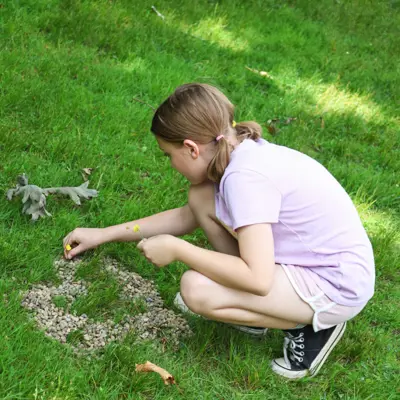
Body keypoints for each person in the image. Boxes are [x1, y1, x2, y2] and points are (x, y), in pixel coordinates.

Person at [63, 83, 375, 379]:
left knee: (197, 290)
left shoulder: (244, 179)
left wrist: (178, 249)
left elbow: (258, 278)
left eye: (168, 155)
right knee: (201, 197)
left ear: (191, 148)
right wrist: (104, 233)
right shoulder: (239, 152)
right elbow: (189, 215)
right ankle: (258, 313)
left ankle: (311, 325)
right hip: (309, 263)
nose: (170, 164)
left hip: (336, 284)